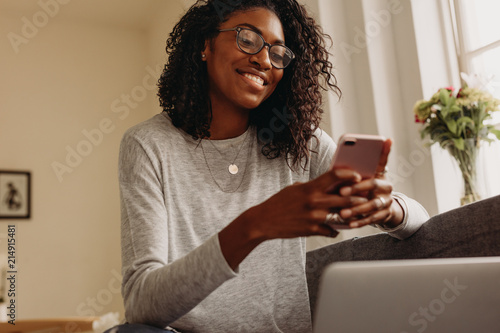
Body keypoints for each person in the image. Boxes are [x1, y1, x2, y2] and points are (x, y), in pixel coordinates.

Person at [116, 0, 429, 332]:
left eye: (278, 53)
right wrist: (256, 224)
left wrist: (387, 208)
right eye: (247, 39)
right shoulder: (148, 144)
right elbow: (140, 302)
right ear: (204, 44)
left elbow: (419, 220)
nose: (264, 59)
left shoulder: (298, 143)